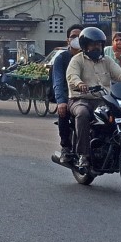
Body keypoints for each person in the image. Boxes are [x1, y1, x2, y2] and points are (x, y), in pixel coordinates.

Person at [66, 26, 121, 173]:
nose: (96, 47)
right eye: (93, 44)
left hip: (103, 99)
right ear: (85, 45)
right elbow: (72, 76)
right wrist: (80, 84)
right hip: (80, 99)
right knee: (82, 114)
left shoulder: (106, 60)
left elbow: (120, 74)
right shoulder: (77, 60)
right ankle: (83, 155)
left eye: (99, 44)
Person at [52, 24, 84, 163]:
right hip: (69, 96)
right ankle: (65, 147)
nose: (76, 39)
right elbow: (58, 80)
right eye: (73, 36)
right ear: (68, 40)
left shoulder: (90, 56)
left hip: (90, 95)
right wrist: (61, 101)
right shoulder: (62, 58)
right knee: (63, 111)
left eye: (79, 36)